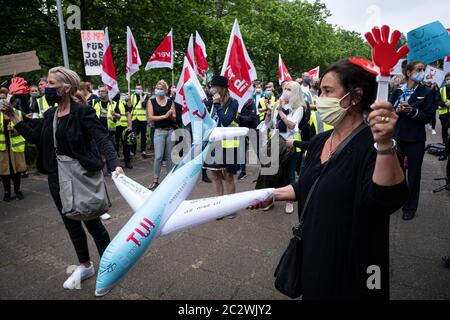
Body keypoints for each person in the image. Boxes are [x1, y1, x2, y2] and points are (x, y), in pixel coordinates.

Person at [250, 58, 408, 300]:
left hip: (355, 267)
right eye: (320, 90)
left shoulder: (372, 145)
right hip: (315, 255)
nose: (319, 98)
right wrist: (272, 194)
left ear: (354, 97)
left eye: (327, 91)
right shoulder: (321, 141)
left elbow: (386, 200)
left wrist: (385, 144)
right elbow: (307, 185)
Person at [1, 66, 124, 290]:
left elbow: (103, 138)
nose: (45, 88)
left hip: (80, 177)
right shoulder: (51, 114)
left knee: (91, 221)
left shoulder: (81, 112)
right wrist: (13, 117)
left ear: (66, 88)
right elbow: (34, 136)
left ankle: (110, 265)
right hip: (56, 179)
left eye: (50, 84)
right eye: (46, 83)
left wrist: (115, 165)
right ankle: (85, 265)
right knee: (70, 222)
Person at [390, 60, 435, 221]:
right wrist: (397, 109)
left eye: (423, 69)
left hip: (415, 138)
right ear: (408, 72)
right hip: (398, 136)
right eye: (418, 69)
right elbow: (389, 110)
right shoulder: (398, 90)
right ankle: (397, 201)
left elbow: (428, 116)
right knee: (397, 172)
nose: (422, 72)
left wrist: (412, 111)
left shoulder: (427, 92)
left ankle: (410, 207)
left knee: (414, 174)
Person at [263, 81, 306, 214]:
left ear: (295, 92)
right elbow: (268, 124)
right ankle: (270, 200)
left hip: (291, 144)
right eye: (285, 88)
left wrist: (281, 113)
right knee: (273, 172)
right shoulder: (278, 104)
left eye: (289, 89)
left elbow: (292, 125)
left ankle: (290, 202)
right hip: (276, 142)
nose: (286, 91)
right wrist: (270, 113)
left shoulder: (299, 107)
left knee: (290, 173)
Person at [204, 75, 240, 219]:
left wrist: (218, 105)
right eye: (211, 86)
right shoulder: (209, 102)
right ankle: (219, 207)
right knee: (216, 176)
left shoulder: (233, 103)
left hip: (229, 144)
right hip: (212, 143)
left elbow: (226, 121)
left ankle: (230, 207)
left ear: (222, 88)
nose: (212, 88)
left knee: (229, 176)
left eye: (215, 86)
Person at [147, 80, 177, 190]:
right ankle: (155, 180)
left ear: (165, 90)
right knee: (158, 156)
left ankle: (170, 179)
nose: (158, 90)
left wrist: (170, 115)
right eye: (157, 88)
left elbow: (174, 116)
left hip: (170, 131)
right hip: (159, 131)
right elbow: (151, 117)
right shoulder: (152, 101)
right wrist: (164, 116)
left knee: (170, 157)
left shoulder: (169, 101)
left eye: (161, 88)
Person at [0, 94, 26, 201]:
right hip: (2, 148)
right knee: (4, 171)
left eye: (4, 98)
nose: (2, 100)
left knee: (17, 170)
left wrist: (14, 128)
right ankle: (7, 192)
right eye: (0, 98)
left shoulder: (17, 112)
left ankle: (17, 190)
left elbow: (24, 128)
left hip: (15, 147)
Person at [93, 85, 120, 174]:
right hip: (98, 131)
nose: (100, 93)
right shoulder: (95, 103)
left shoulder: (114, 103)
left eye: (102, 91)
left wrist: (115, 115)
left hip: (110, 131)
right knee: (97, 151)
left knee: (110, 150)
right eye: (99, 91)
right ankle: (99, 170)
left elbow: (119, 116)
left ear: (107, 92)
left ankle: (111, 170)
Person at [235, 97, 258, 181]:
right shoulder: (239, 105)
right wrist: (236, 117)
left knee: (258, 151)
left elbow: (251, 118)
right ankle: (243, 171)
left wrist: (239, 116)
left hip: (252, 130)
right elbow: (238, 120)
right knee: (241, 151)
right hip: (242, 131)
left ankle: (264, 173)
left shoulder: (251, 103)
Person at [114, 94, 133, 169]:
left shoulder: (122, 103)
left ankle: (127, 161)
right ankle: (116, 163)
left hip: (124, 127)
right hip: (114, 127)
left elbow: (128, 114)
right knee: (115, 146)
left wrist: (130, 125)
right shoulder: (110, 103)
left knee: (126, 145)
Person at [129, 84, 148, 158]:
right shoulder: (132, 96)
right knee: (133, 135)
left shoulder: (146, 96)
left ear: (142, 89)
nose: (138, 90)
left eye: (139, 88)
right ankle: (132, 151)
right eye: (136, 88)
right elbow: (129, 107)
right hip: (135, 119)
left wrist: (140, 95)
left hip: (143, 119)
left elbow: (144, 105)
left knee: (143, 136)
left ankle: (143, 151)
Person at [437, 73, 450, 150]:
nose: (449, 81)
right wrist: (445, 104)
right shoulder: (441, 90)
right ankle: (444, 147)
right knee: (444, 131)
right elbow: (437, 101)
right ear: (445, 80)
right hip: (444, 114)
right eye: (447, 79)